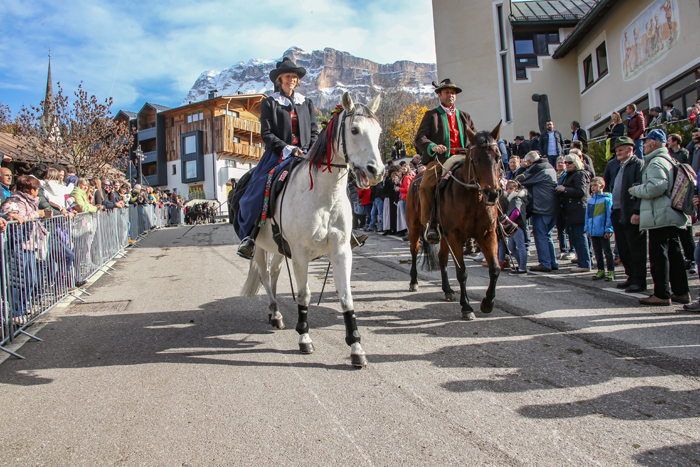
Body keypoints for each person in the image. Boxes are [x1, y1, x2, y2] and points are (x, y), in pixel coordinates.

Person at [236, 57, 319, 259]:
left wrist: (310, 149)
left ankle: (342, 232)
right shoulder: (270, 102)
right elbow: (267, 133)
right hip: (279, 154)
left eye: (294, 76)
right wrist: (289, 148)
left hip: (307, 153)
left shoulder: (306, 102)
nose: (291, 79)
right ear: (280, 79)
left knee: (333, 178)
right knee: (262, 186)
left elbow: (315, 131)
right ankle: (251, 236)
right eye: (287, 76)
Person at [629, 129, 690, 306]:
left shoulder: (655, 162)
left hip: (659, 215)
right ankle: (681, 292)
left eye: (646, 143)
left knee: (659, 256)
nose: (644, 146)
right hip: (670, 213)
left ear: (653, 144)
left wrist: (636, 190)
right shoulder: (669, 159)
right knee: (675, 255)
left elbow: (656, 187)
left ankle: (662, 294)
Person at [414, 78, 475, 242]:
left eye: (453, 93)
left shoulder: (465, 116)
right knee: (426, 186)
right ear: (439, 95)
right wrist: (433, 146)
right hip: (441, 159)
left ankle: (500, 218)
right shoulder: (431, 115)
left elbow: (474, 138)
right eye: (447, 92)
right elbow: (419, 138)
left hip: (464, 157)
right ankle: (431, 223)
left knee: (489, 179)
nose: (451, 95)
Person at [520, 151, 560, 272]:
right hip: (552, 207)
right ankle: (552, 262)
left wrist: (522, 168)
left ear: (529, 161)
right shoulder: (549, 166)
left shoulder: (536, 169)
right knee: (547, 236)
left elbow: (520, 180)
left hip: (541, 208)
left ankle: (545, 263)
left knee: (540, 236)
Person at [556, 154, 591, 272]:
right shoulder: (569, 175)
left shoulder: (580, 174)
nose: (566, 165)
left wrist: (564, 189)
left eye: (569, 162)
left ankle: (585, 264)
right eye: (565, 162)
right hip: (571, 210)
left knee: (580, 237)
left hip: (578, 209)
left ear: (576, 162)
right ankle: (582, 260)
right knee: (575, 238)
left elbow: (581, 191)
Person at [585, 177, 614, 281]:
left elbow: (609, 216)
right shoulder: (591, 201)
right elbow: (587, 216)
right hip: (593, 231)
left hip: (602, 230)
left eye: (595, 185)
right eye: (592, 185)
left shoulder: (607, 199)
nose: (593, 187)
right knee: (597, 252)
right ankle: (600, 270)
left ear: (602, 186)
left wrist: (609, 229)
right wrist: (587, 228)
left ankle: (611, 271)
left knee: (607, 251)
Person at [504, 180, 528, 274]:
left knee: (520, 246)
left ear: (517, 189)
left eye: (511, 188)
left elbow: (516, 212)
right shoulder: (513, 199)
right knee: (511, 246)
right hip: (513, 226)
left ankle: (522, 268)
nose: (509, 191)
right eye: (507, 189)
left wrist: (508, 223)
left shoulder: (516, 198)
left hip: (516, 226)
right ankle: (520, 264)